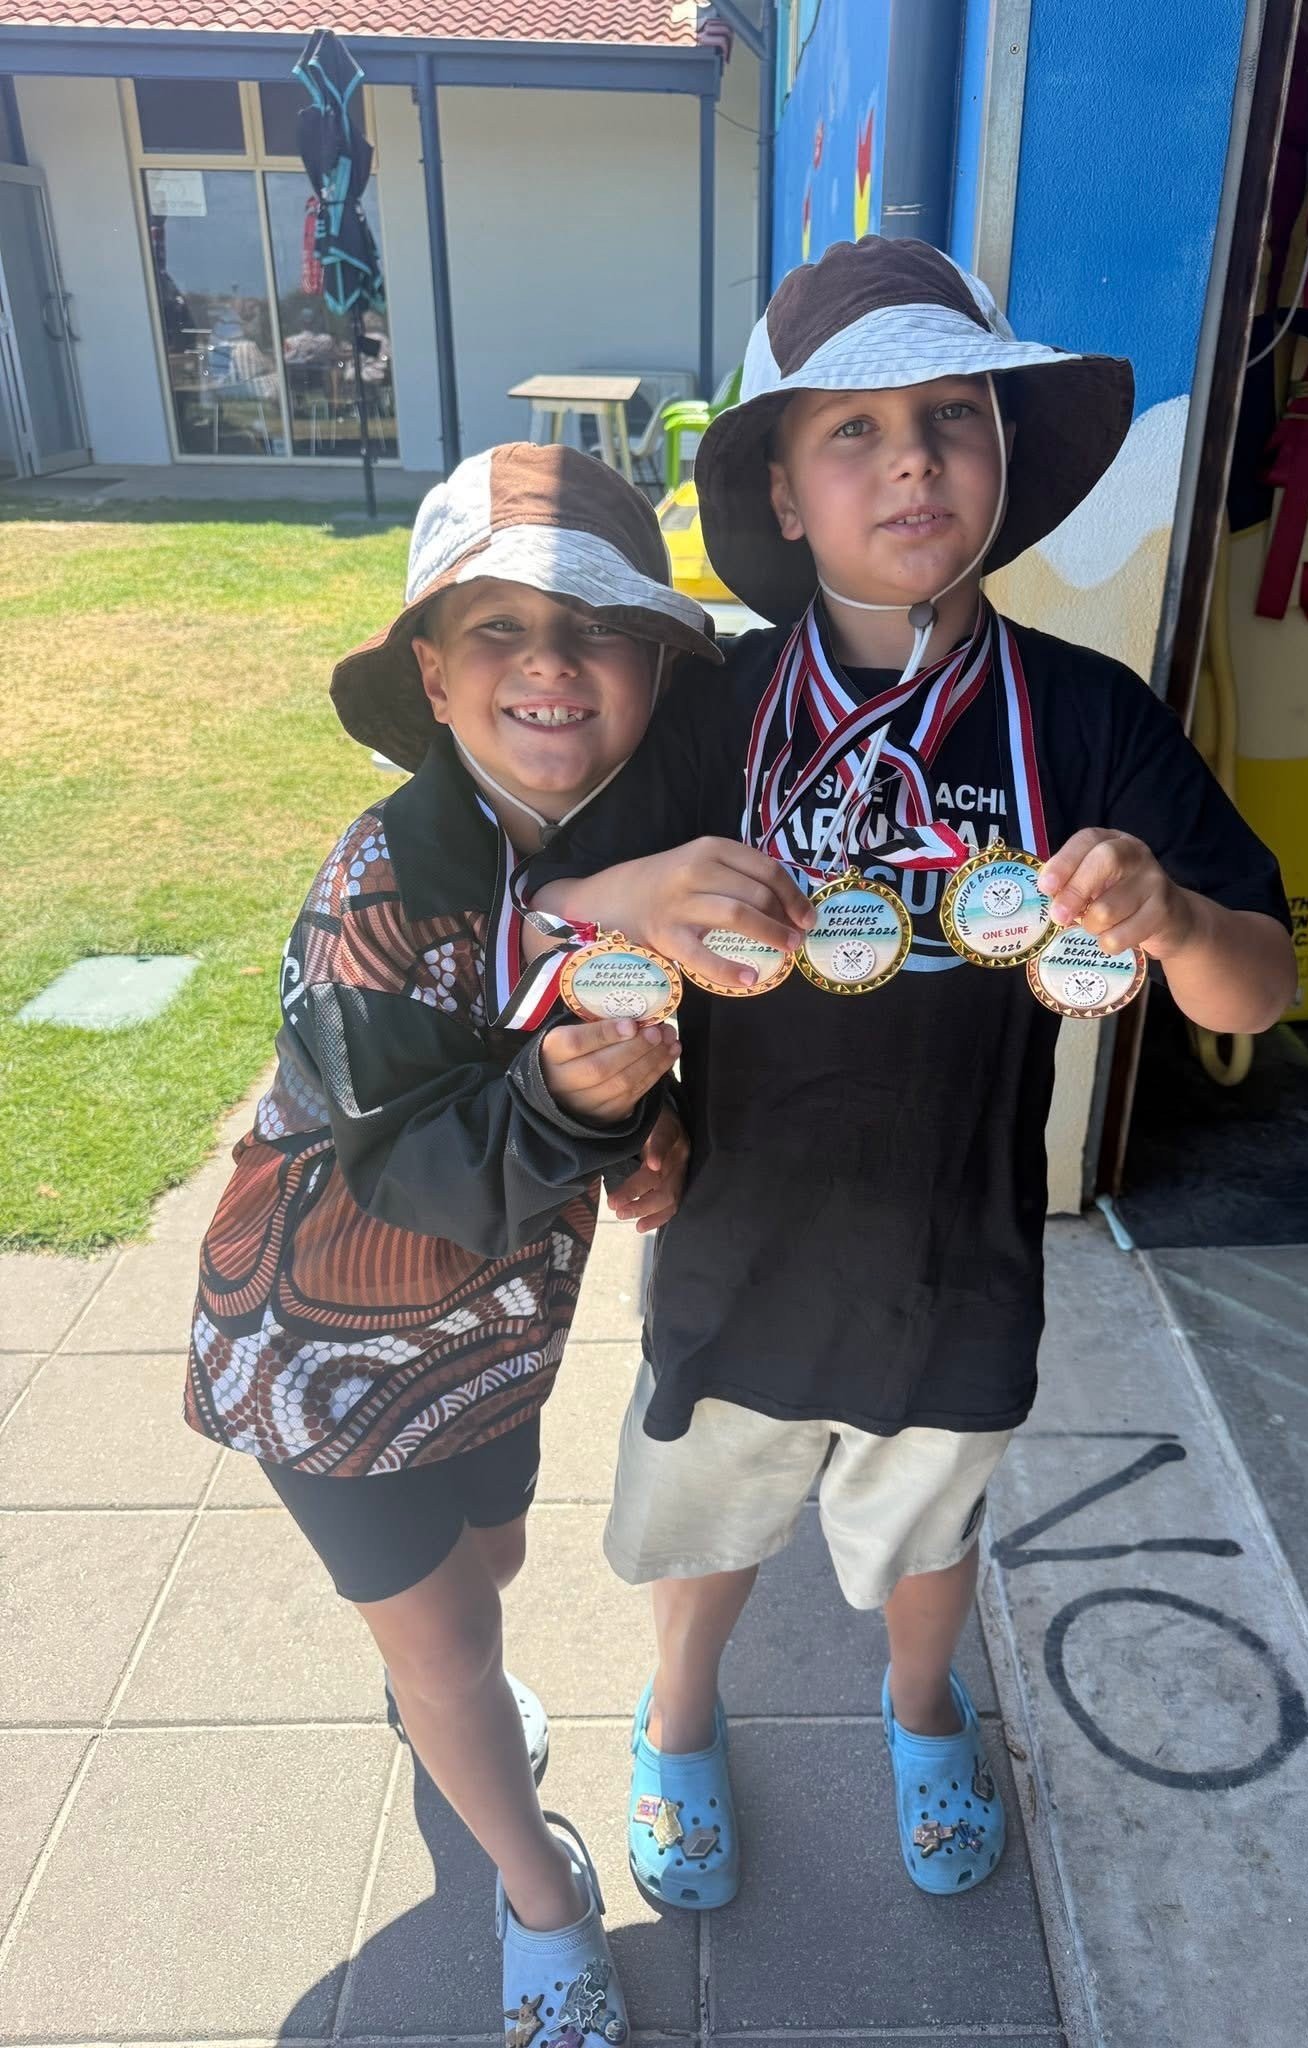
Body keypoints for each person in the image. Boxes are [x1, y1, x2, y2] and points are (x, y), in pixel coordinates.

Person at [530, 238, 1297, 1909]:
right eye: (853, 432)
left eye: (951, 416)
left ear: (1004, 460)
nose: (912, 461)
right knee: (712, 1521)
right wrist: (621, 1068)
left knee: (934, 1525)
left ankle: (925, 1708)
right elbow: (554, 934)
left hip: (961, 1240)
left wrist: (1167, 915)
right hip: (736, 1228)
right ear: (784, 495)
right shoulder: (707, 706)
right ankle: (675, 1720)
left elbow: (1268, 973)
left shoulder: (1087, 717)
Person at [184, 442, 719, 2044]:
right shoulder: (376, 880)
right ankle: (539, 1898)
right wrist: (574, 1101)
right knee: (450, 1651)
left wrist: (643, 1125)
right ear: (429, 672)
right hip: (320, 1366)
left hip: (493, 1342)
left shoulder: (599, 855)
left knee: (491, 1564)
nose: (550, 665)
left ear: (649, 675)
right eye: (498, 628)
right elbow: (411, 1157)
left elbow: (593, 1064)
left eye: (598, 630)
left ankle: (451, 1700)